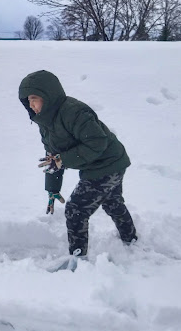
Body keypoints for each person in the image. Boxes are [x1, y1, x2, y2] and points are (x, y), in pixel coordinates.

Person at [19, 70, 137, 259]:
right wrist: (53, 188)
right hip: (105, 163)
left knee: (76, 210)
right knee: (112, 202)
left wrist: (63, 160)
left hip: (106, 163)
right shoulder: (45, 121)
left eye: (34, 98)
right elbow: (52, 157)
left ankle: (78, 257)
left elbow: (98, 142)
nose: (31, 105)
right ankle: (131, 240)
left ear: (48, 96)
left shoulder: (73, 112)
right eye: (27, 100)